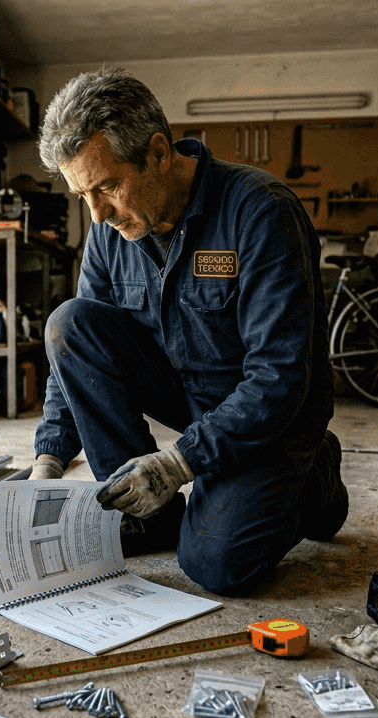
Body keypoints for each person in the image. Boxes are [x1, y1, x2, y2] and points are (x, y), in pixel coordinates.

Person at [28, 69, 348, 596]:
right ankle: (144, 512)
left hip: (274, 415)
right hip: (189, 395)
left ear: (157, 152)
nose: (98, 213)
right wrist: (49, 457)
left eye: (106, 186)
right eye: (83, 194)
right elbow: (79, 347)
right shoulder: (111, 230)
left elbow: (280, 376)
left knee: (216, 565)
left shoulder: (261, 212)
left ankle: (316, 481)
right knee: (70, 321)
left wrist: (180, 462)